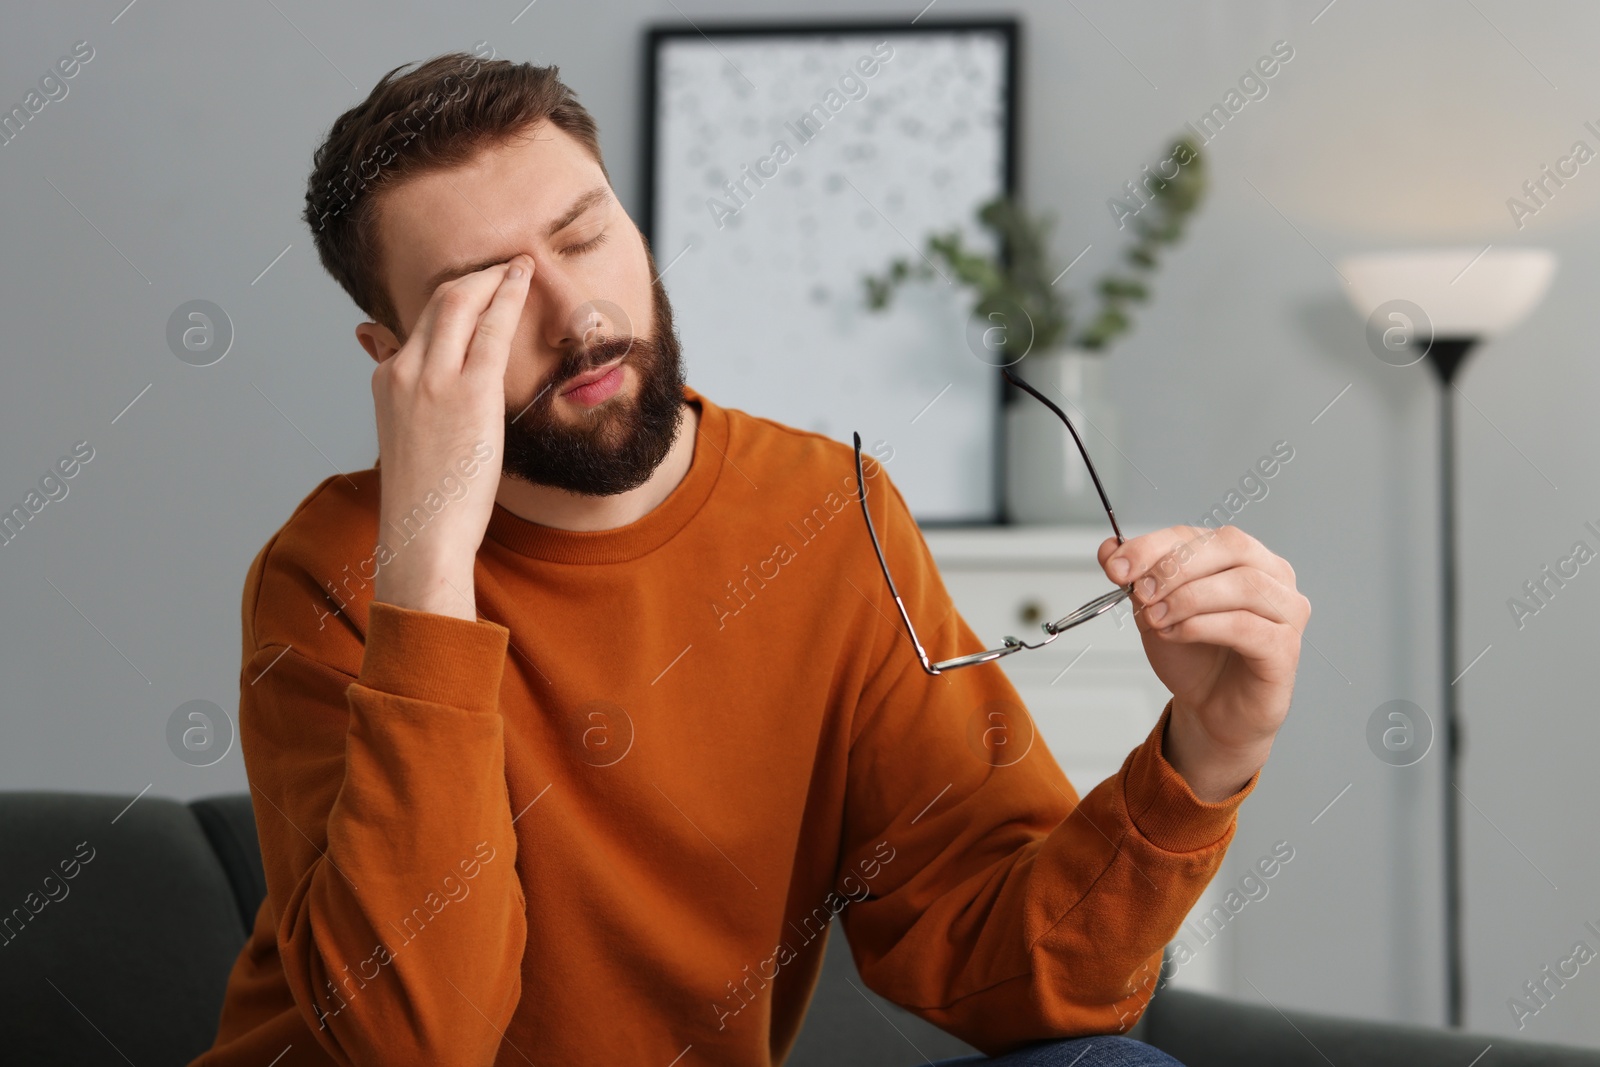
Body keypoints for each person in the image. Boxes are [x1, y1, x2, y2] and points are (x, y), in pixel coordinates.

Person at [192, 47, 1310, 1067]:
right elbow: (414, 1047)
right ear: (393, 358)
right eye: (489, 296)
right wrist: (429, 554)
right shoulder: (333, 570)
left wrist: (1205, 754)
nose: (579, 313)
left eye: (585, 236)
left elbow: (1004, 972)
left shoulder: (828, 512)